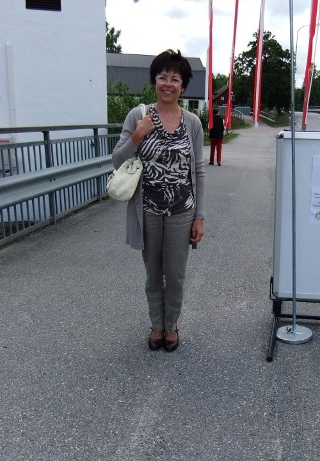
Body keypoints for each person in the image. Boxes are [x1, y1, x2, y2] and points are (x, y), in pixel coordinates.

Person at [112, 49, 206, 352]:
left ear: (183, 86)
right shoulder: (137, 117)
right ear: (154, 80)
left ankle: (171, 325)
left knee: (175, 276)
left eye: (175, 79)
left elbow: (199, 171)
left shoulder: (192, 122)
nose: (168, 83)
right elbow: (117, 161)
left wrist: (199, 216)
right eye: (163, 77)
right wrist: (137, 135)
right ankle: (156, 325)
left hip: (182, 211)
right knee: (153, 274)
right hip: (148, 210)